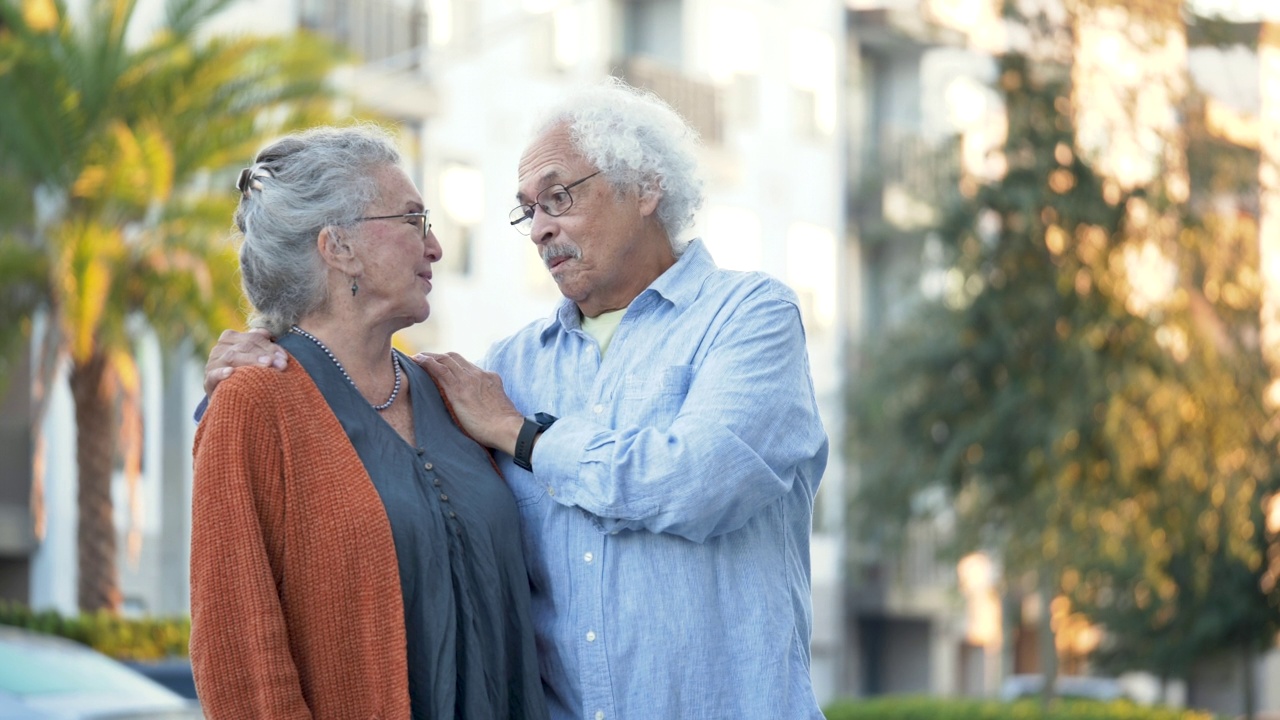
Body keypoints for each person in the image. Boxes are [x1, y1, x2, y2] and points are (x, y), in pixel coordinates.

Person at [203, 80, 829, 719]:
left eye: (559, 197)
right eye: (527, 210)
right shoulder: (506, 369)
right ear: (336, 247)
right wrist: (238, 388)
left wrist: (525, 437)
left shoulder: (749, 318)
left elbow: (697, 482)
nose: (538, 229)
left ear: (645, 186)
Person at [189, 125, 547, 720]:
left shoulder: (455, 394)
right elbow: (242, 666)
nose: (434, 247)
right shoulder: (253, 403)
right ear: (339, 246)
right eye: (414, 220)